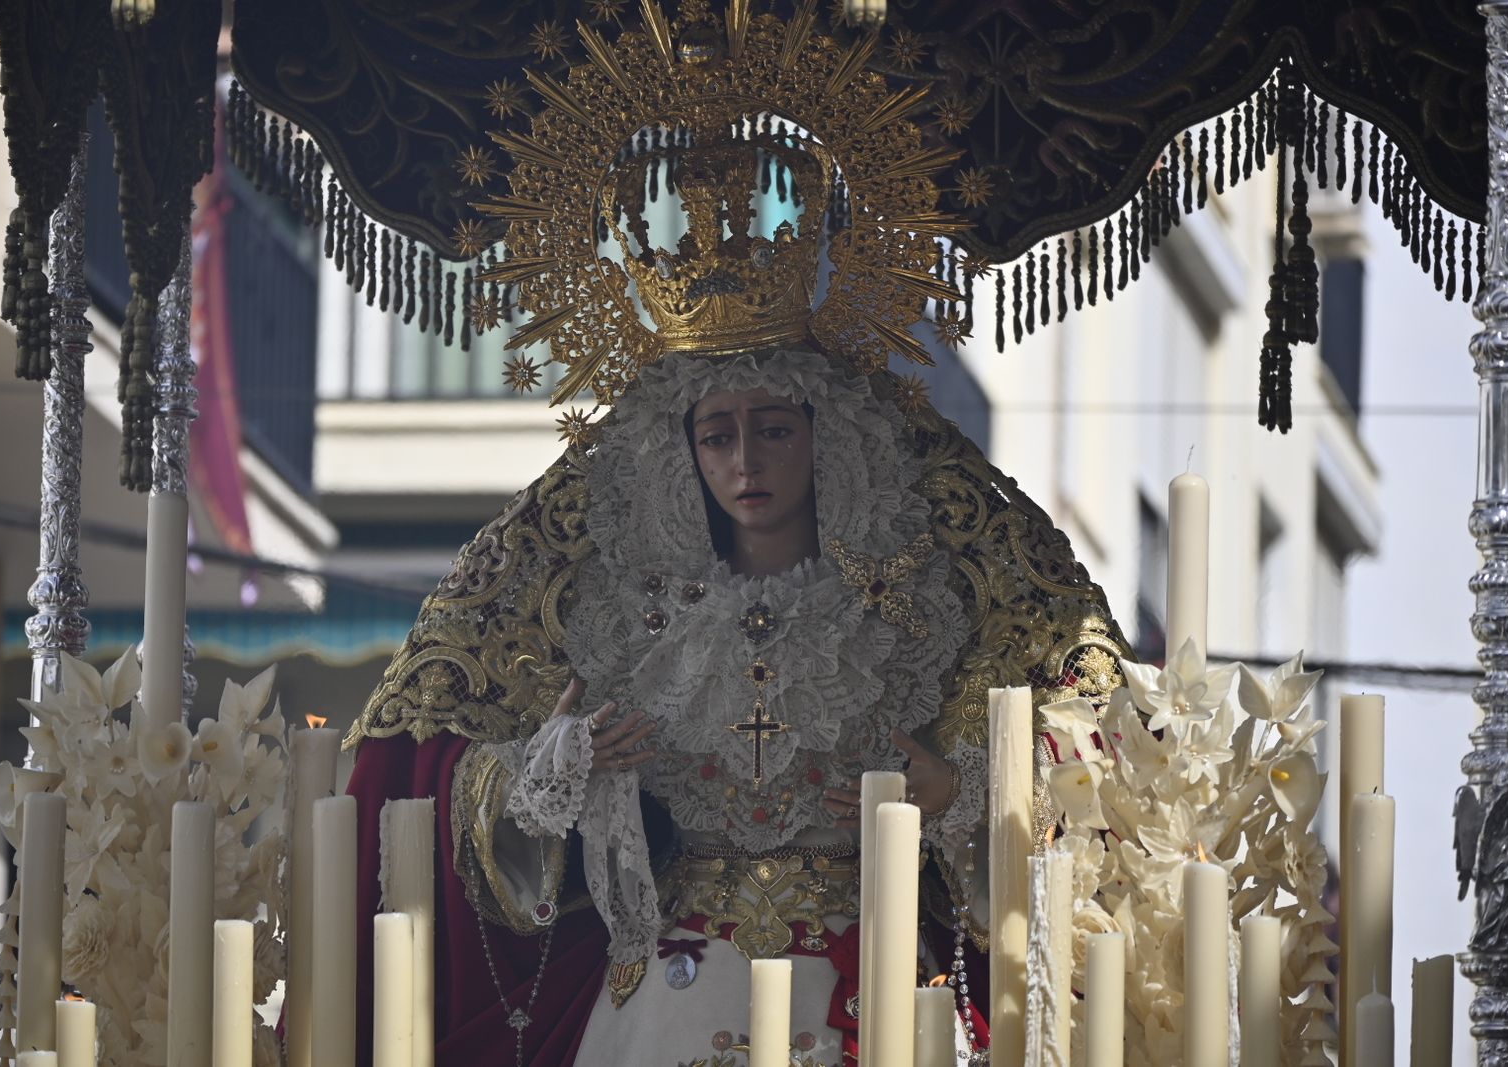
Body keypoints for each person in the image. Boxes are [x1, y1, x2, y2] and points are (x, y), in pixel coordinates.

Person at [341, 9, 1129, 1064]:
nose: (747, 462)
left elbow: (1091, 741)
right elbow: (430, 775)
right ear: (685, 458)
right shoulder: (614, 600)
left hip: (867, 994)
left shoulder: (922, 596)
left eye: (772, 429)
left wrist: (964, 800)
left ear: (825, 435)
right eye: (718, 436)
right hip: (660, 992)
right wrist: (555, 769)